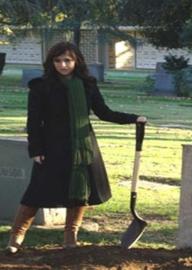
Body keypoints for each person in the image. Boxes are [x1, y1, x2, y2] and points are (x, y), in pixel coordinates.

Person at [6, 41, 147, 254]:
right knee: (35, 193)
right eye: (58, 60)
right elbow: (34, 121)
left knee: (80, 192)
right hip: (52, 147)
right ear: (51, 62)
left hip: (83, 147)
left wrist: (134, 118)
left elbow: (104, 112)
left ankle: (70, 235)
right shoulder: (40, 86)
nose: (63, 65)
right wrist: (36, 150)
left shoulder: (87, 84)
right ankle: (16, 238)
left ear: (76, 61)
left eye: (67, 60)